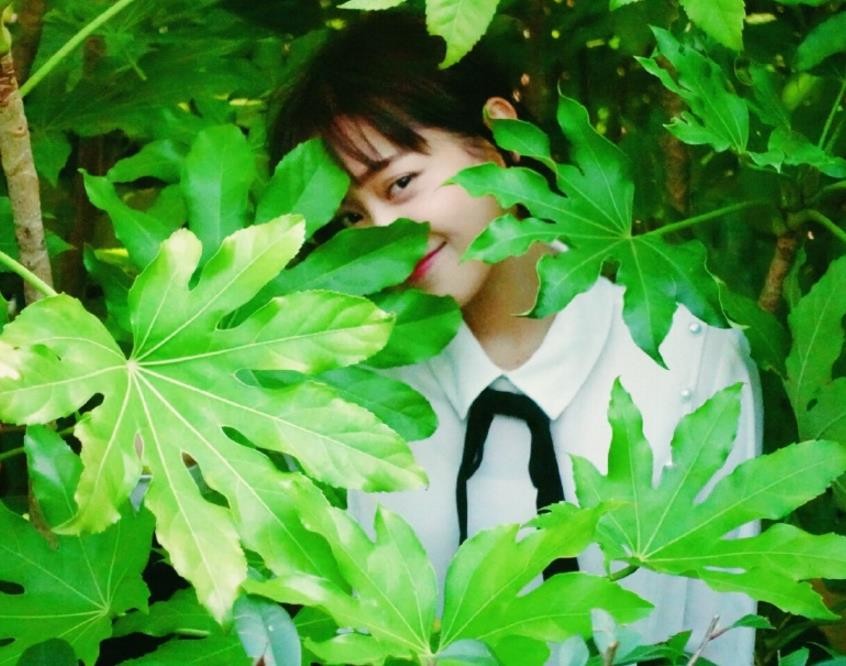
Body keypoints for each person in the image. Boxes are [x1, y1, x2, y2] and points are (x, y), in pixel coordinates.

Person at [273, 11, 761, 663]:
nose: (390, 234)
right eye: (351, 218)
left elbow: (721, 632)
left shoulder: (688, 359)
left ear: (497, 136)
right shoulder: (357, 389)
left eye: (402, 184)